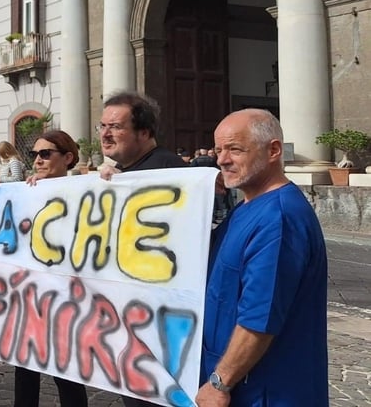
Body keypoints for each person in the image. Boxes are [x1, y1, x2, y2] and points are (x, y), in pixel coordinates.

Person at [196, 109, 327, 406]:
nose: (222, 159)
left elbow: (259, 317)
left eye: (235, 149)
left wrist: (219, 382)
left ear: (273, 151)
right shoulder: (245, 207)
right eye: (218, 150)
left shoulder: (278, 218)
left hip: (265, 391)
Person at [96, 92, 185, 407]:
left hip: (157, 322)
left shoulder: (166, 167)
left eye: (116, 127)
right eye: (103, 126)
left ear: (144, 132)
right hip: (129, 317)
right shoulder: (125, 172)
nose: (106, 134)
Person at [11, 130, 90, 407]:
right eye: (35, 154)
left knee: (67, 373)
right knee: (25, 369)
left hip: (67, 299)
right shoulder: (26, 191)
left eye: (46, 154)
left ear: (68, 158)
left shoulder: (86, 191)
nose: (39, 160)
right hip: (30, 296)